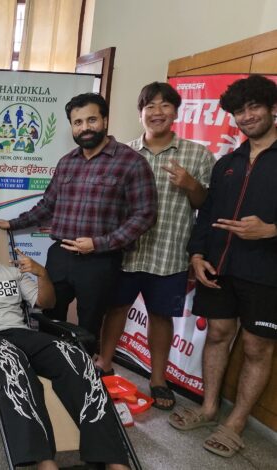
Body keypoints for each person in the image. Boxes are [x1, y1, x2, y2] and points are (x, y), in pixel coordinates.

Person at [0, 220, 129, 470]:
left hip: (21, 333)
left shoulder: (12, 272)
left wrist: (42, 274)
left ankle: (111, 457)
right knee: (13, 364)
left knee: (76, 357)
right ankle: (44, 460)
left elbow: (46, 303)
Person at [0, 93, 156, 349]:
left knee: (89, 326)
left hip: (100, 260)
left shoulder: (131, 162)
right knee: (49, 317)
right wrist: (12, 224)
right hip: (60, 254)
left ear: (105, 120)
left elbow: (145, 214)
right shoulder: (67, 162)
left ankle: (83, 371)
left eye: (91, 120)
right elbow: (47, 205)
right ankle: (51, 365)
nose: (85, 127)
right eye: (78, 122)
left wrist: (99, 244)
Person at [169, 74, 277, 458]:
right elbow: (208, 213)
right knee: (217, 334)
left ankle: (236, 424)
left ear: (273, 108)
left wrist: (271, 230)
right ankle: (209, 408)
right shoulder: (227, 162)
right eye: (239, 111)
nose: (246, 116)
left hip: (267, 273)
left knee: (256, 346)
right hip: (219, 267)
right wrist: (197, 255)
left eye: (254, 107)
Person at [96, 82, 215, 409]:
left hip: (169, 252)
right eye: (150, 106)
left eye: (165, 105)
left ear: (176, 112)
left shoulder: (198, 154)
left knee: (161, 316)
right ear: (141, 113)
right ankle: (103, 364)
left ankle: (158, 380)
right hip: (127, 249)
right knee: (115, 309)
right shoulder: (124, 153)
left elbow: (205, 205)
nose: (157, 112)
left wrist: (190, 184)